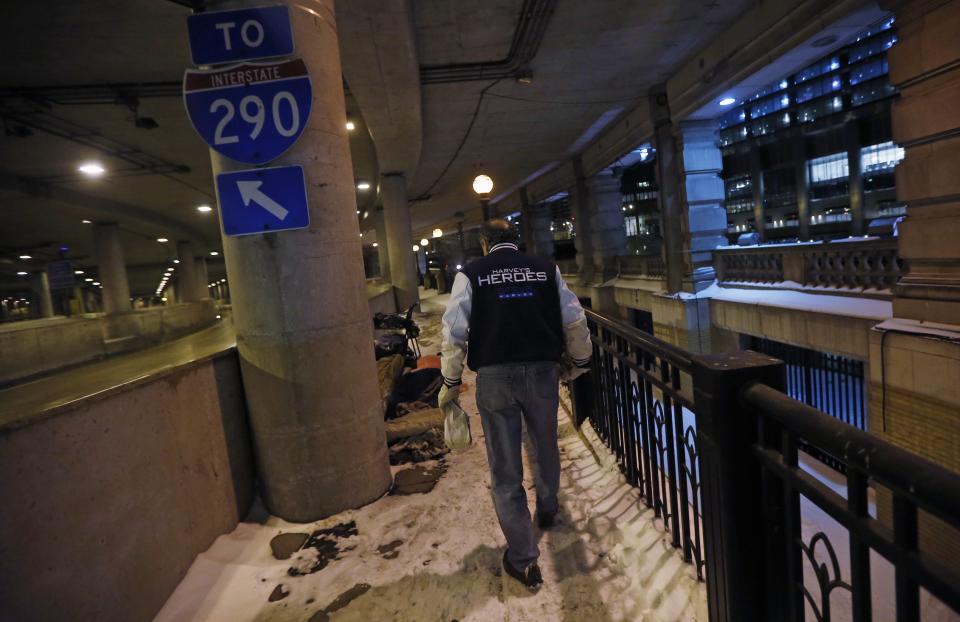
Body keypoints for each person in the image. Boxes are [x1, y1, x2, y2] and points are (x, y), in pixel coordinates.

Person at [438, 218, 591, 590]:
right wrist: (581, 359)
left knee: (505, 466)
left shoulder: (473, 274)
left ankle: (523, 559)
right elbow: (573, 317)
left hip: (495, 378)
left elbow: (454, 330)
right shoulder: (545, 269)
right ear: (516, 241)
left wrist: (451, 380)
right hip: (542, 371)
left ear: (486, 242)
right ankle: (549, 507)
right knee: (545, 442)